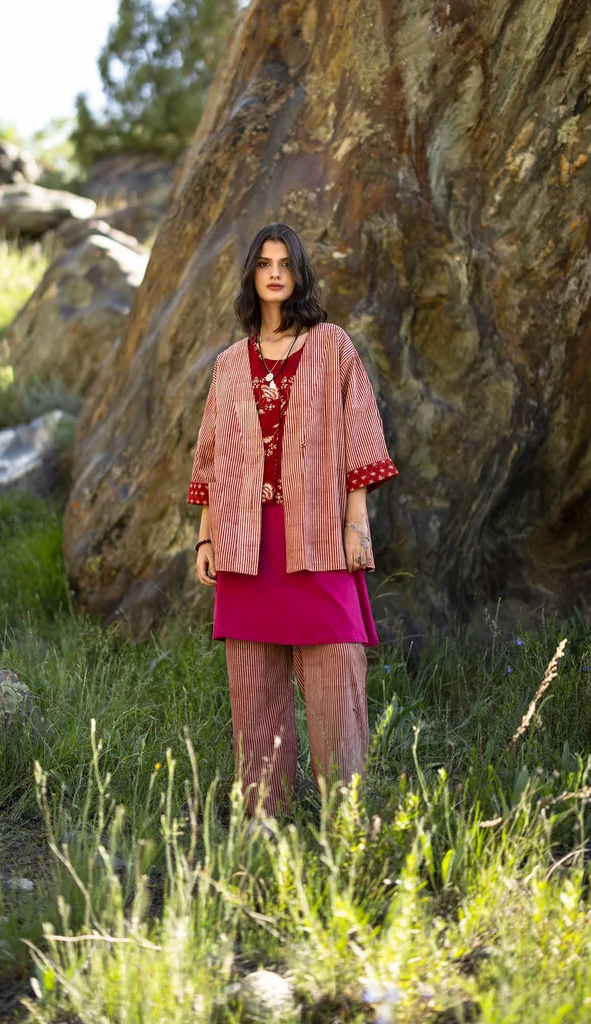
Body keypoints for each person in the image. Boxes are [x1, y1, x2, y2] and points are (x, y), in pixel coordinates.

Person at [187, 223, 398, 827]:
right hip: (244, 540)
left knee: (337, 664)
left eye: (285, 263)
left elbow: (359, 435)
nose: (275, 272)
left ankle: (347, 819)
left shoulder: (333, 347)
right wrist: (206, 536)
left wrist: (356, 524)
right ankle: (263, 822)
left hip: (318, 534)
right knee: (254, 684)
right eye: (264, 263)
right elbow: (212, 454)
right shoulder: (230, 365)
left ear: (299, 273)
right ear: (251, 275)